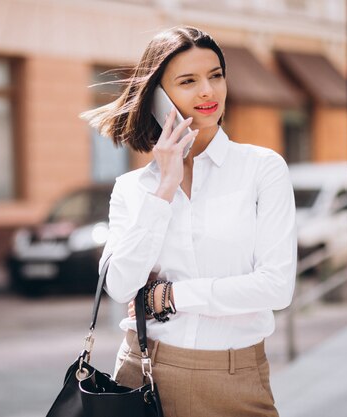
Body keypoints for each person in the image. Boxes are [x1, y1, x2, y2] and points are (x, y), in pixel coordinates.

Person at [81, 26, 296, 417]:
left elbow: (277, 287)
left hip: (237, 380)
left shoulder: (263, 169)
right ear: (158, 98)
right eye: (188, 81)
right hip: (143, 377)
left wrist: (172, 296)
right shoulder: (133, 189)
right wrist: (164, 187)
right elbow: (120, 286)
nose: (208, 92)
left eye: (216, 76)